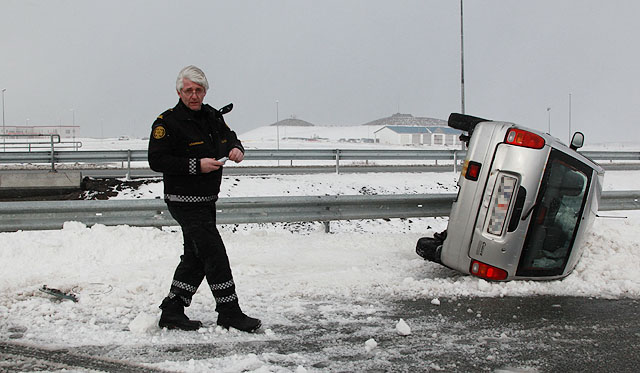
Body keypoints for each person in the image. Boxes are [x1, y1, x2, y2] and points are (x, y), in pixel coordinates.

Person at [148, 65, 261, 333]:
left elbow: (228, 137)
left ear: (205, 91)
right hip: (182, 200)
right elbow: (157, 160)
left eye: (199, 90)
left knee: (196, 256)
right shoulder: (167, 122)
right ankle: (229, 311)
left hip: (207, 199)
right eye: (189, 90)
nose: (194, 95)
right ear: (179, 91)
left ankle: (173, 310)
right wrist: (195, 166)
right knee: (214, 253)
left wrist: (235, 148)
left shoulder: (212, 116)